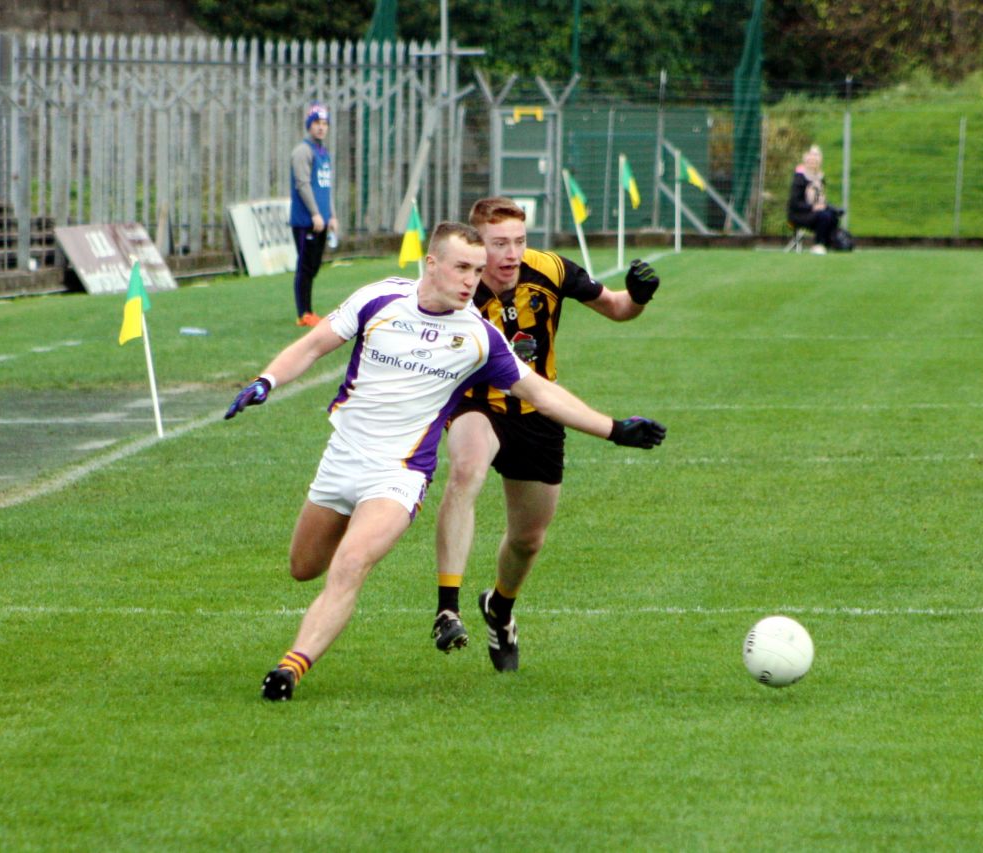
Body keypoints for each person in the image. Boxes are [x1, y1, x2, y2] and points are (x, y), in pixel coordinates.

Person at [224, 221, 666, 700]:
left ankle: (290, 669)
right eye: (461, 268)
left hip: (398, 476)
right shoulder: (379, 299)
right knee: (303, 566)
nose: (470, 281)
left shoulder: (479, 337)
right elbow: (313, 345)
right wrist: (265, 381)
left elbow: (539, 390)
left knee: (351, 564)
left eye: (477, 271)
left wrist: (614, 429)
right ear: (430, 264)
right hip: (341, 460)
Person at [430, 197, 661, 672]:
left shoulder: (551, 270)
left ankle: (500, 608)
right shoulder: (458, 286)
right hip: (479, 404)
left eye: (519, 241)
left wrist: (637, 296)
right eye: (498, 244)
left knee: (528, 539)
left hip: (539, 410)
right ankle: (447, 607)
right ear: (476, 245)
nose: (511, 254)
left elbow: (617, 308)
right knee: (467, 470)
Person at [288, 102, 339, 327]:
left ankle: (308, 311)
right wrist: (315, 214)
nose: (321, 127)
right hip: (307, 220)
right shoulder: (302, 151)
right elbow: (303, 184)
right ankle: (304, 313)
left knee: (313, 266)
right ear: (309, 125)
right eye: (317, 123)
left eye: (324, 123)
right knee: (305, 266)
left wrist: (332, 215)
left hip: (321, 220)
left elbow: (325, 187)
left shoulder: (323, 153)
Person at [787, 145, 841, 255]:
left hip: (814, 211)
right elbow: (794, 203)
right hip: (799, 213)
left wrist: (825, 205)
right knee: (824, 216)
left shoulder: (820, 178)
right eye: (811, 157)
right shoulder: (800, 178)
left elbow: (820, 197)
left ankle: (828, 243)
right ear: (806, 160)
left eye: (816, 157)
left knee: (833, 215)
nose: (814, 161)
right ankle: (818, 244)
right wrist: (813, 207)